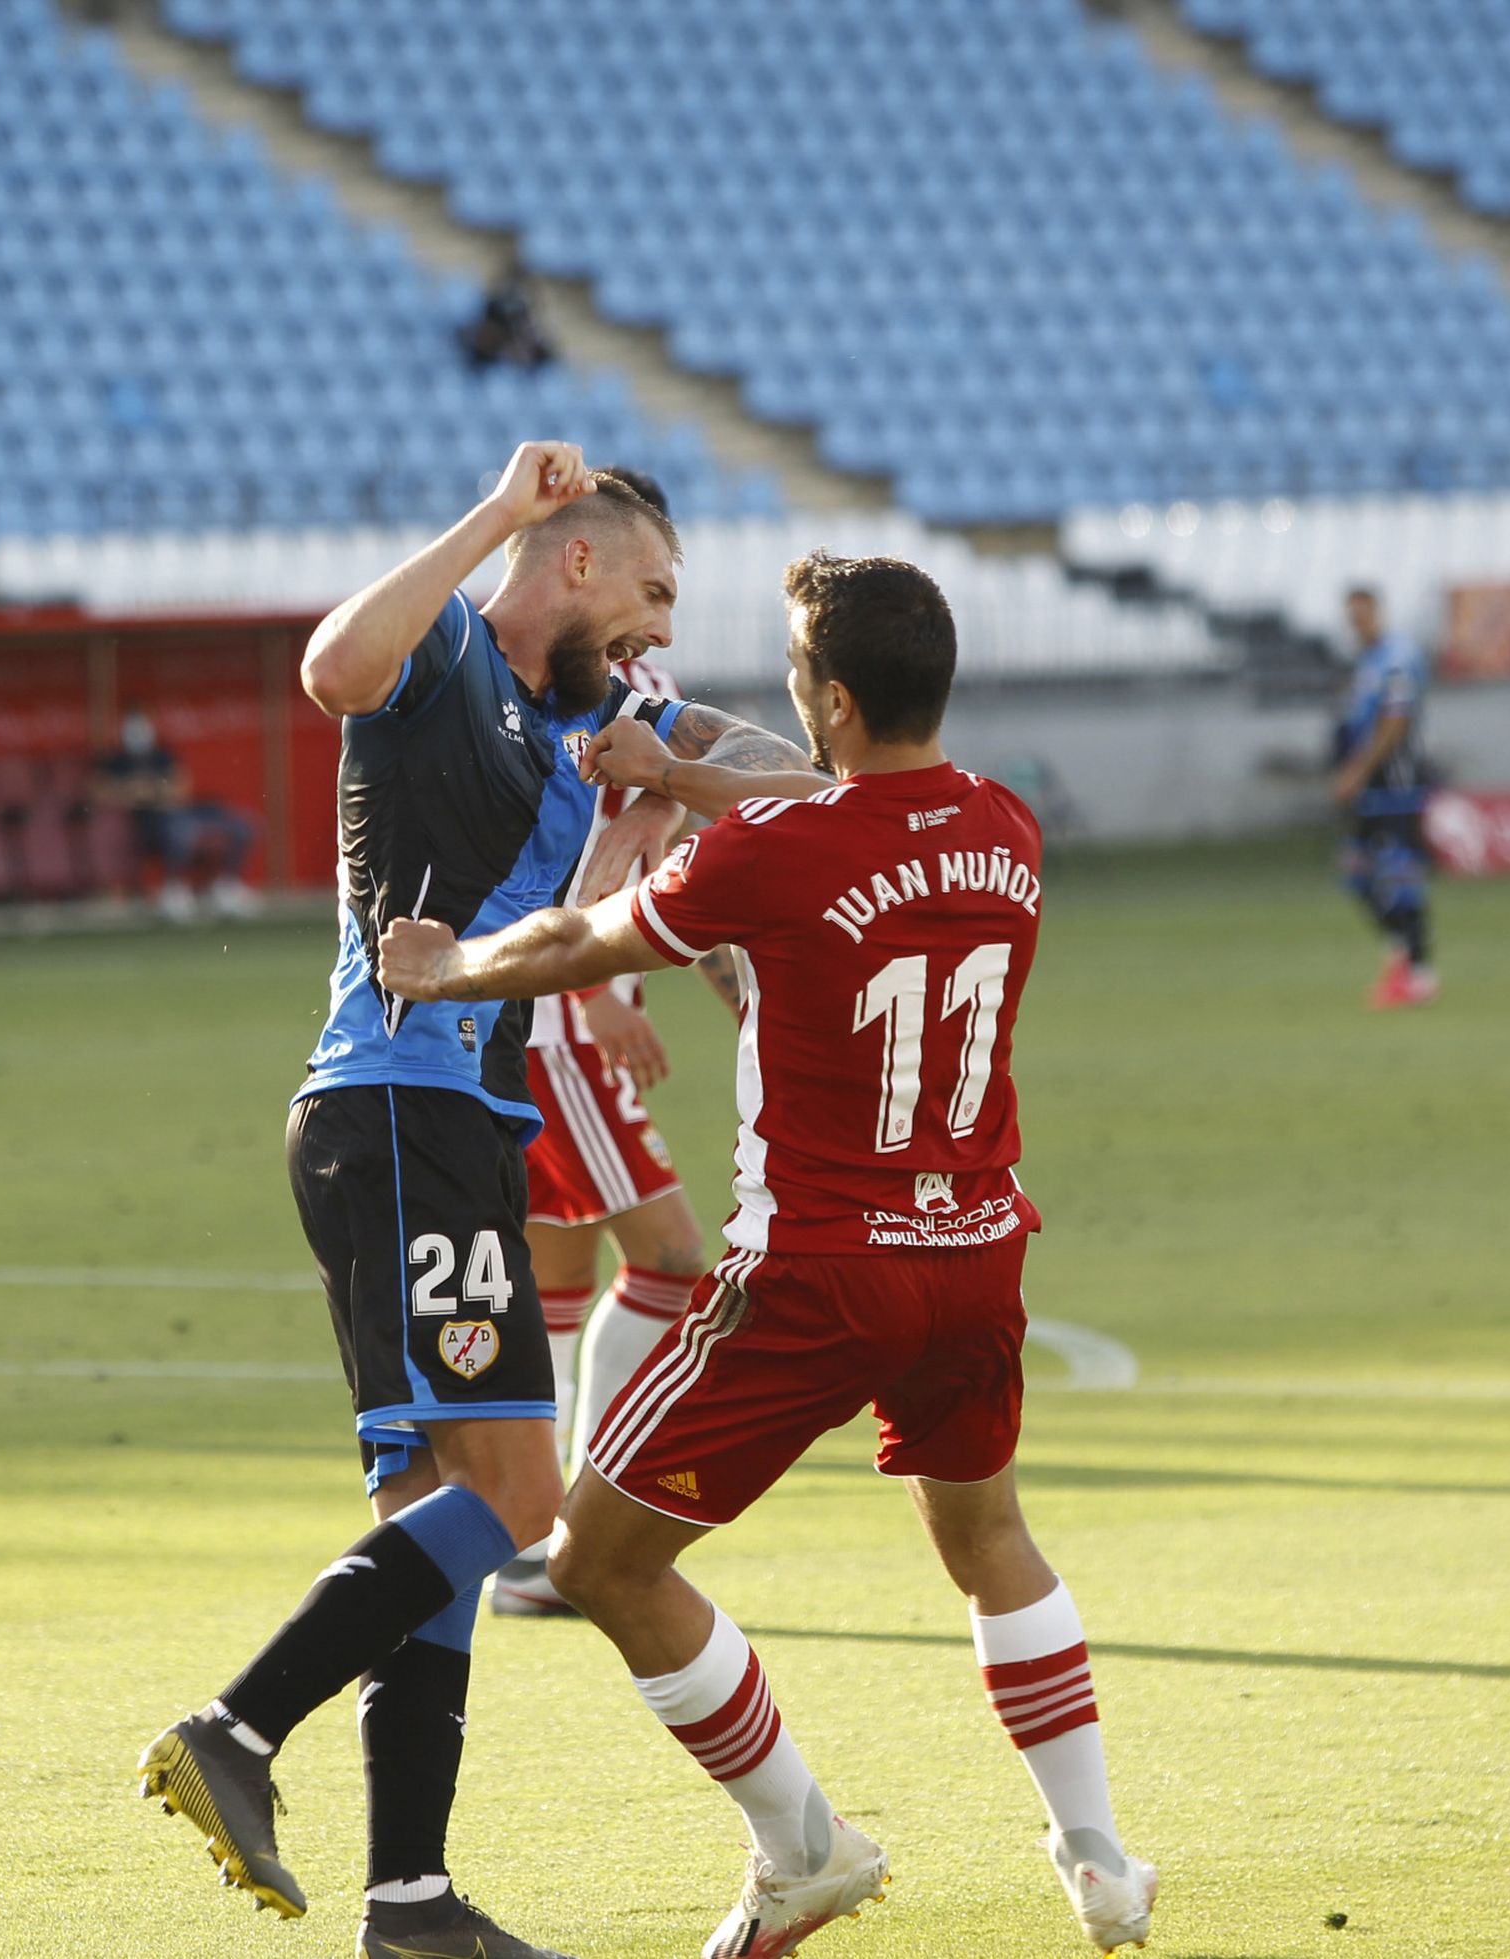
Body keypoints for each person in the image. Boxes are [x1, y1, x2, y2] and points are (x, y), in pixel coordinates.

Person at [378, 550, 1157, 1959]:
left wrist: (449, 968)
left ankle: (804, 1842)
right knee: (989, 1537)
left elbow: (578, 937)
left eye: (801, 679)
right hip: (978, 1252)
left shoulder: (779, 852)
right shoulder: (1009, 825)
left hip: (817, 1273)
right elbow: (859, 818)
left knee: (604, 1559)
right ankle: (1095, 1851)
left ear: (836, 698)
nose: (791, 701)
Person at [137, 443, 816, 1959]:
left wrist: (674, 773)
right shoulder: (447, 649)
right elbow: (330, 664)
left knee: (421, 1524)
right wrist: (500, 512)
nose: (660, 629)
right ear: (574, 559)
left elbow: (798, 780)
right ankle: (237, 1728)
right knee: (517, 1499)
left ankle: (410, 1900)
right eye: (650, 589)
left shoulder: (601, 712)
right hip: (403, 1105)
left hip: (429, 1125)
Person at [499, 465, 738, 1619]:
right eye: (655, 581)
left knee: (559, 1273)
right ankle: (574, 1534)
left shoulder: (636, 673)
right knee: (672, 1259)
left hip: (564, 1004)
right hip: (554, 1016)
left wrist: (706, 969)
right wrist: (595, 988)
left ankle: (524, 1529)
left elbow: (658, 826)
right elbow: (589, 838)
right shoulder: (558, 673)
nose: (666, 611)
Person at [1332, 587, 1437, 1008]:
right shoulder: (1367, 662)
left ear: (1378, 611)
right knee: (1357, 873)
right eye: (1351, 616)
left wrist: (1357, 769)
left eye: (1363, 614)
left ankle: (1418, 972)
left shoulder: (1398, 656)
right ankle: (1402, 957)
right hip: (1370, 787)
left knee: (1399, 877)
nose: (1357, 623)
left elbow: (1395, 720)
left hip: (1396, 784)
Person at [90, 703, 257, 921]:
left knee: (241, 826)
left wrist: (150, 790)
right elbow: (96, 791)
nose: (138, 731)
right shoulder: (114, 759)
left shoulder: (162, 755)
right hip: (149, 823)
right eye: (132, 725)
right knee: (182, 829)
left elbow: (180, 789)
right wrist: (136, 792)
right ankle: (174, 890)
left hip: (179, 811)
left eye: (142, 725)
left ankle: (226, 887)